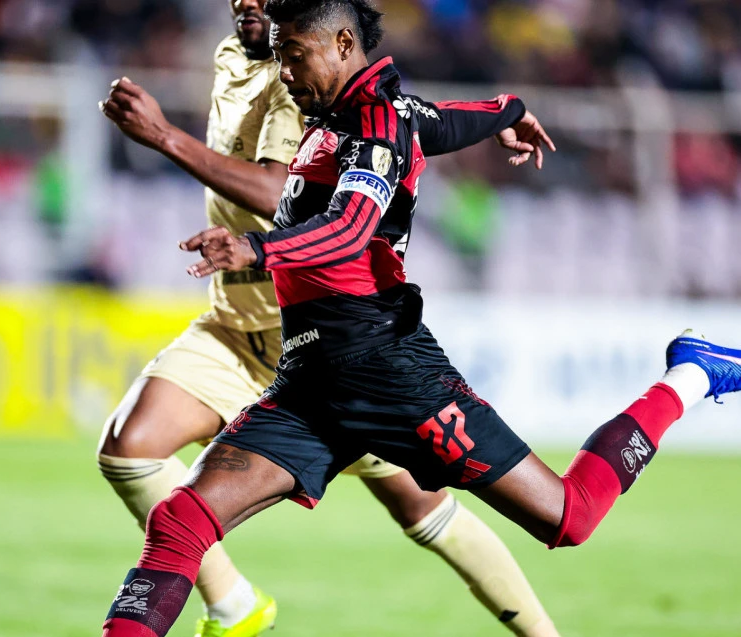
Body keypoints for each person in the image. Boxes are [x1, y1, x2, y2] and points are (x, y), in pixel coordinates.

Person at [98, 1, 741, 636]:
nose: (285, 72)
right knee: (180, 520)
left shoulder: (373, 127)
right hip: (311, 379)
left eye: (296, 57)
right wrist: (508, 113)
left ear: (343, 45)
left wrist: (255, 247)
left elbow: (350, 229)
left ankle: (689, 376)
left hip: (390, 373)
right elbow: (444, 120)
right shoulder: (358, 112)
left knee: (568, 518)